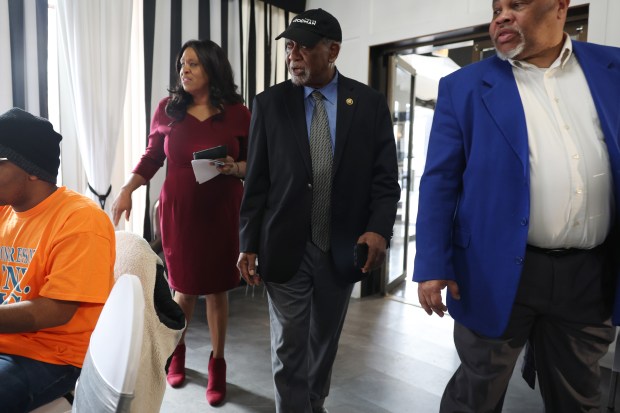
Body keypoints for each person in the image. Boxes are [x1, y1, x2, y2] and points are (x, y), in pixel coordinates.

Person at [413, 0, 620, 411]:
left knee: (579, 396)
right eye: (496, 9)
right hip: (494, 269)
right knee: (477, 390)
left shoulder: (612, 70)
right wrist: (433, 263)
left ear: (560, 7)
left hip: (589, 272)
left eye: (517, 4)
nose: (502, 16)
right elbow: (440, 180)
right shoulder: (465, 86)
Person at [237, 8, 400, 413]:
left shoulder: (368, 103)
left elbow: (385, 179)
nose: (294, 55)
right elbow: (256, 183)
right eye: (290, 47)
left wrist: (379, 229)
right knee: (288, 344)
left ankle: (313, 403)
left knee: (324, 340)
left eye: (304, 48)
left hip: (342, 246)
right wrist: (248, 242)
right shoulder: (269, 104)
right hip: (286, 244)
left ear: (333, 51)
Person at [111, 39, 250, 406]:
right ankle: (178, 351)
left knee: (218, 289)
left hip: (222, 211)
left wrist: (237, 168)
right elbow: (153, 156)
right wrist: (127, 189)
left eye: (192, 64)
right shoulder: (168, 111)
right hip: (180, 213)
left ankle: (217, 364)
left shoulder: (238, 112)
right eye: (181, 65)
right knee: (183, 288)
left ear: (212, 68)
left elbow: (259, 163)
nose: (184, 71)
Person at [0, 107, 115, 412]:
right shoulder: (5, 211)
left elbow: (55, 310)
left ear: (31, 169)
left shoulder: (80, 220)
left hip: (49, 357)